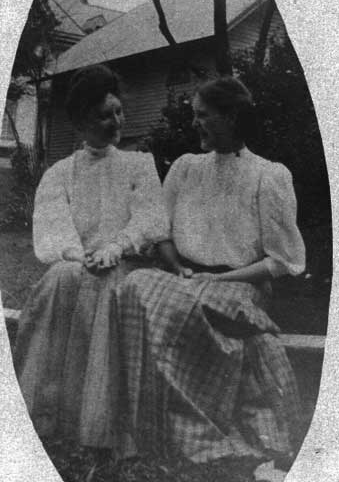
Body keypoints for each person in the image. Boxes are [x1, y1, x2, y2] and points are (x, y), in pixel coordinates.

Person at [118, 75, 306, 477]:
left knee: (179, 303)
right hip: (184, 278)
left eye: (203, 115)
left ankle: (200, 432)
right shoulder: (187, 168)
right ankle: (152, 423)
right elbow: (160, 230)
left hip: (239, 287)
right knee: (135, 285)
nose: (195, 123)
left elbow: (282, 260)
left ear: (232, 116)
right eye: (194, 115)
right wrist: (179, 268)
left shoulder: (268, 175)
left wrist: (220, 281)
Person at [14, 64, 169, 452]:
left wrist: (116, 247)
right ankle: (49, 409)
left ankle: (100, 419)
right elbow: (52, 228)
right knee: (62, 279)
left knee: (110, 286)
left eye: (118, 111)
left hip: (125, 262)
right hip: (79, 262)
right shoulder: (61, 173)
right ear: (83, 120)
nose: (115, 121)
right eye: (104, 115)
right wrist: (78, 254)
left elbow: (152, 219)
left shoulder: (139, 165)